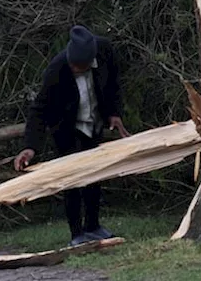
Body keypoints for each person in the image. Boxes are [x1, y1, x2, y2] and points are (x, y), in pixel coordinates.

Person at [14, 25, 130, 246]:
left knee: (95, 176)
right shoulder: (57, 69)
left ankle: (93, 226)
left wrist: (114, 114)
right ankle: (76, 233)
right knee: (73, 180)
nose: (75, 69)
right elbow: (39, 109)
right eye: (73, 65)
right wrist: (30, 146)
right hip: (66, 128)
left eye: (80, 66)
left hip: (94, 122)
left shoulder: (105, 51)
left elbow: (114, 84)